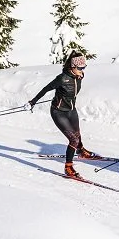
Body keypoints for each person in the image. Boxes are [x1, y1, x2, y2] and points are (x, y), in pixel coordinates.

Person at [29, 50, 94, 178]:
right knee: (73, 139)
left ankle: (81, 151)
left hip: (71, 110)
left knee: (77, 133)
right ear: (73, 66)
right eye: (80, 67)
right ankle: (68, 167)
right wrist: (33, 102)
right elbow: (45, 89)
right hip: (58, 112)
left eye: (84, 67)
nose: (82, 70)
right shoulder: (62, 78)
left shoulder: (79, 76)